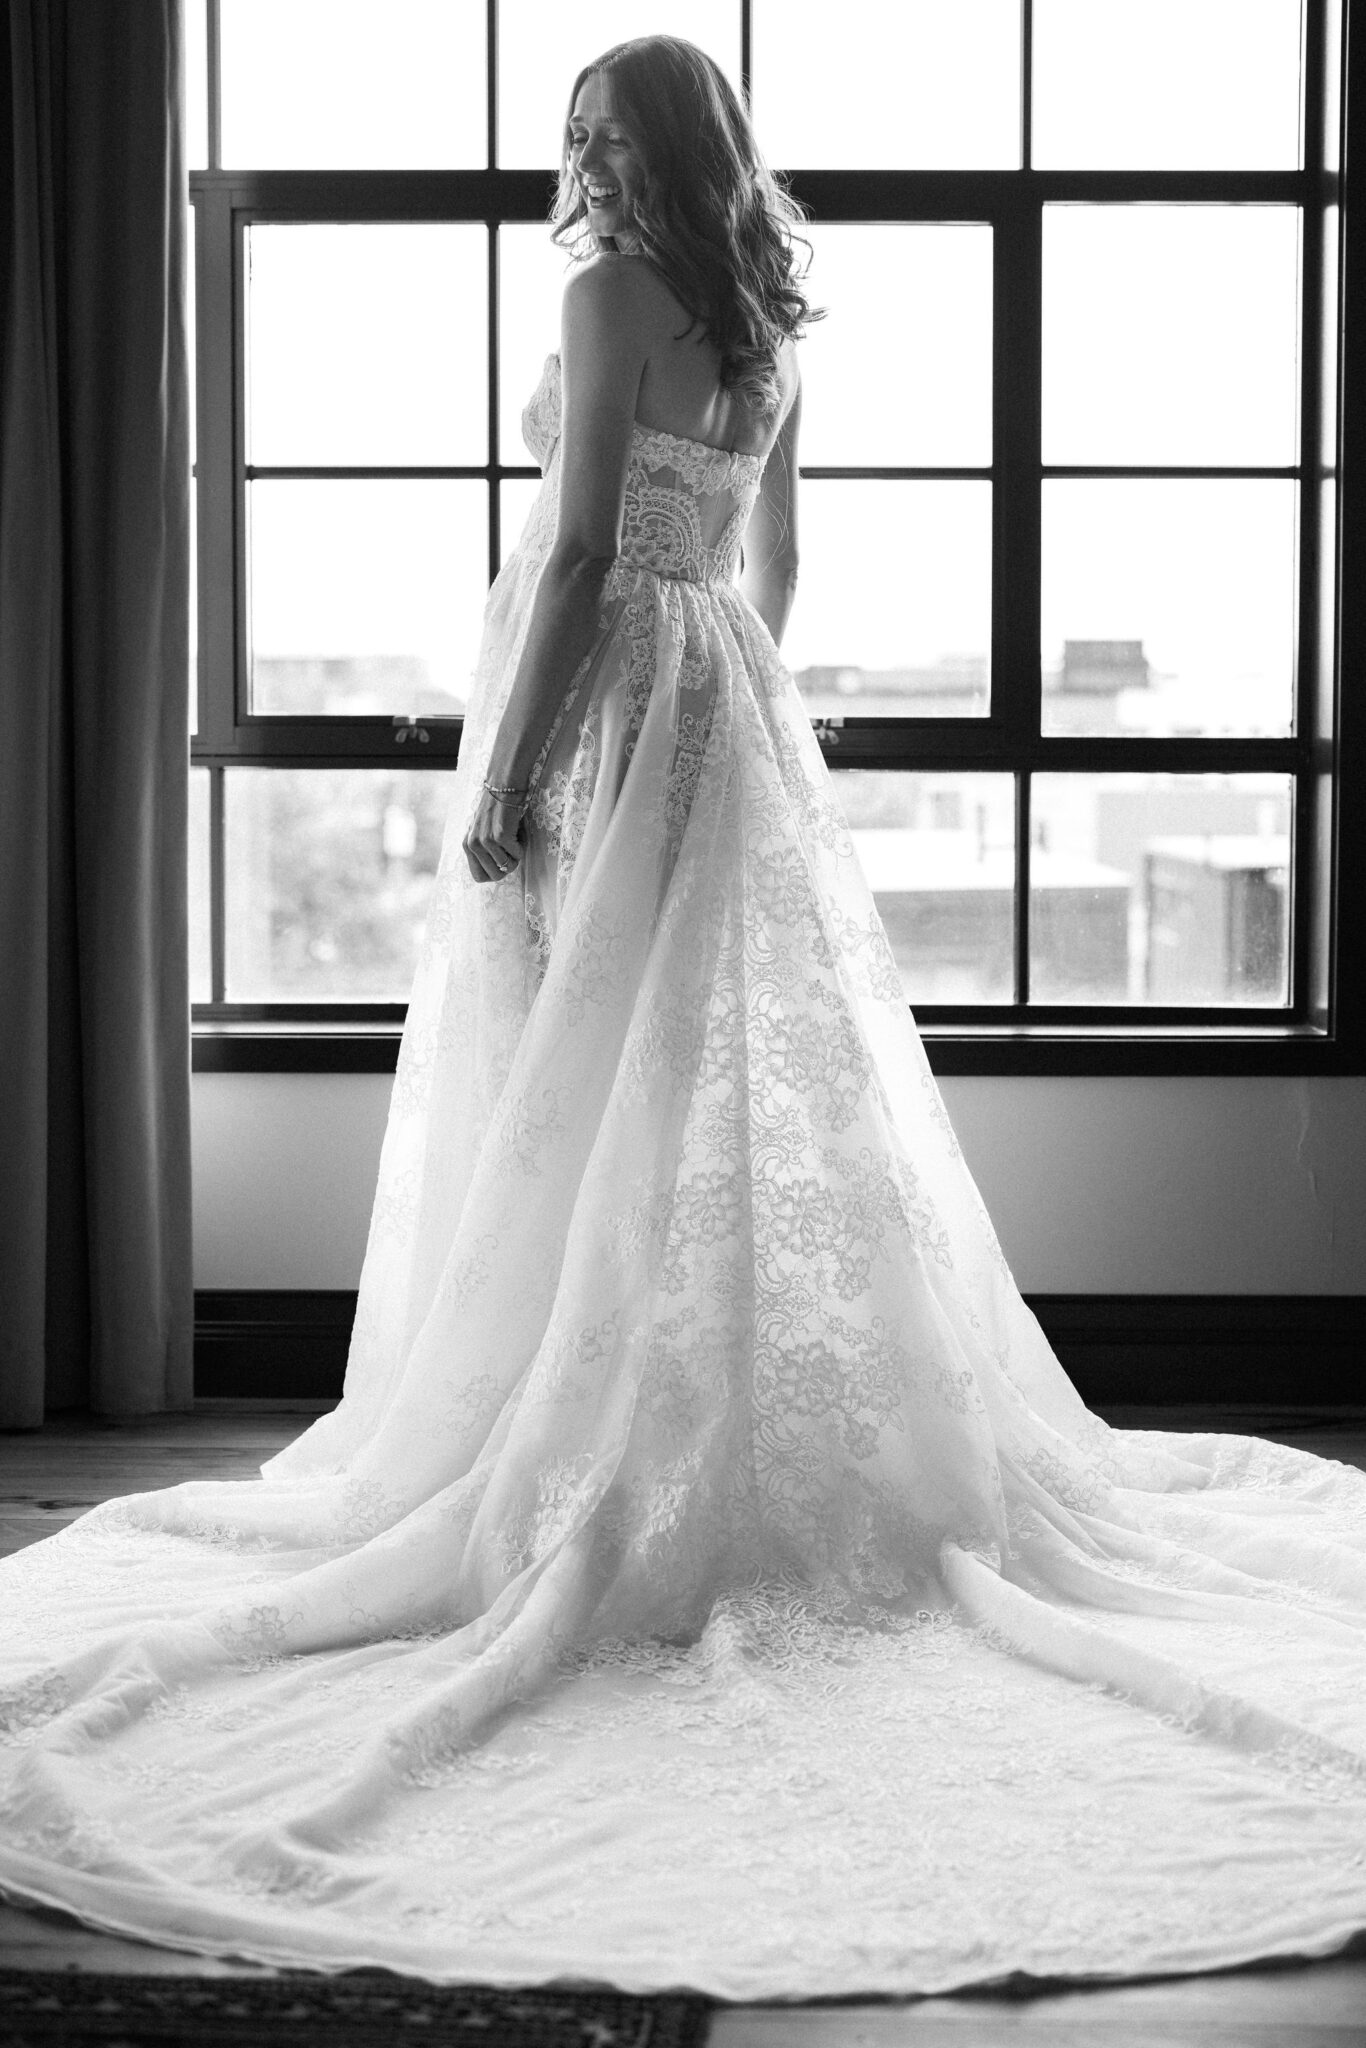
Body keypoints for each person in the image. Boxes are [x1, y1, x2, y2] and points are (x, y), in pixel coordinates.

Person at [1, 34, 1365, 2002]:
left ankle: (592, 1434)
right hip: (726, 702)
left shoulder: (597, 289)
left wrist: (515, 768)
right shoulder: (765, 307)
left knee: (591, 1088)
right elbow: (775, 562)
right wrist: (727, 695)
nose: (568, 167)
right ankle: (683, 1417)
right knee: (697, 1097)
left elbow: (568, 550)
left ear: (639, 151)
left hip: (618, 706)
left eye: (584, 137)